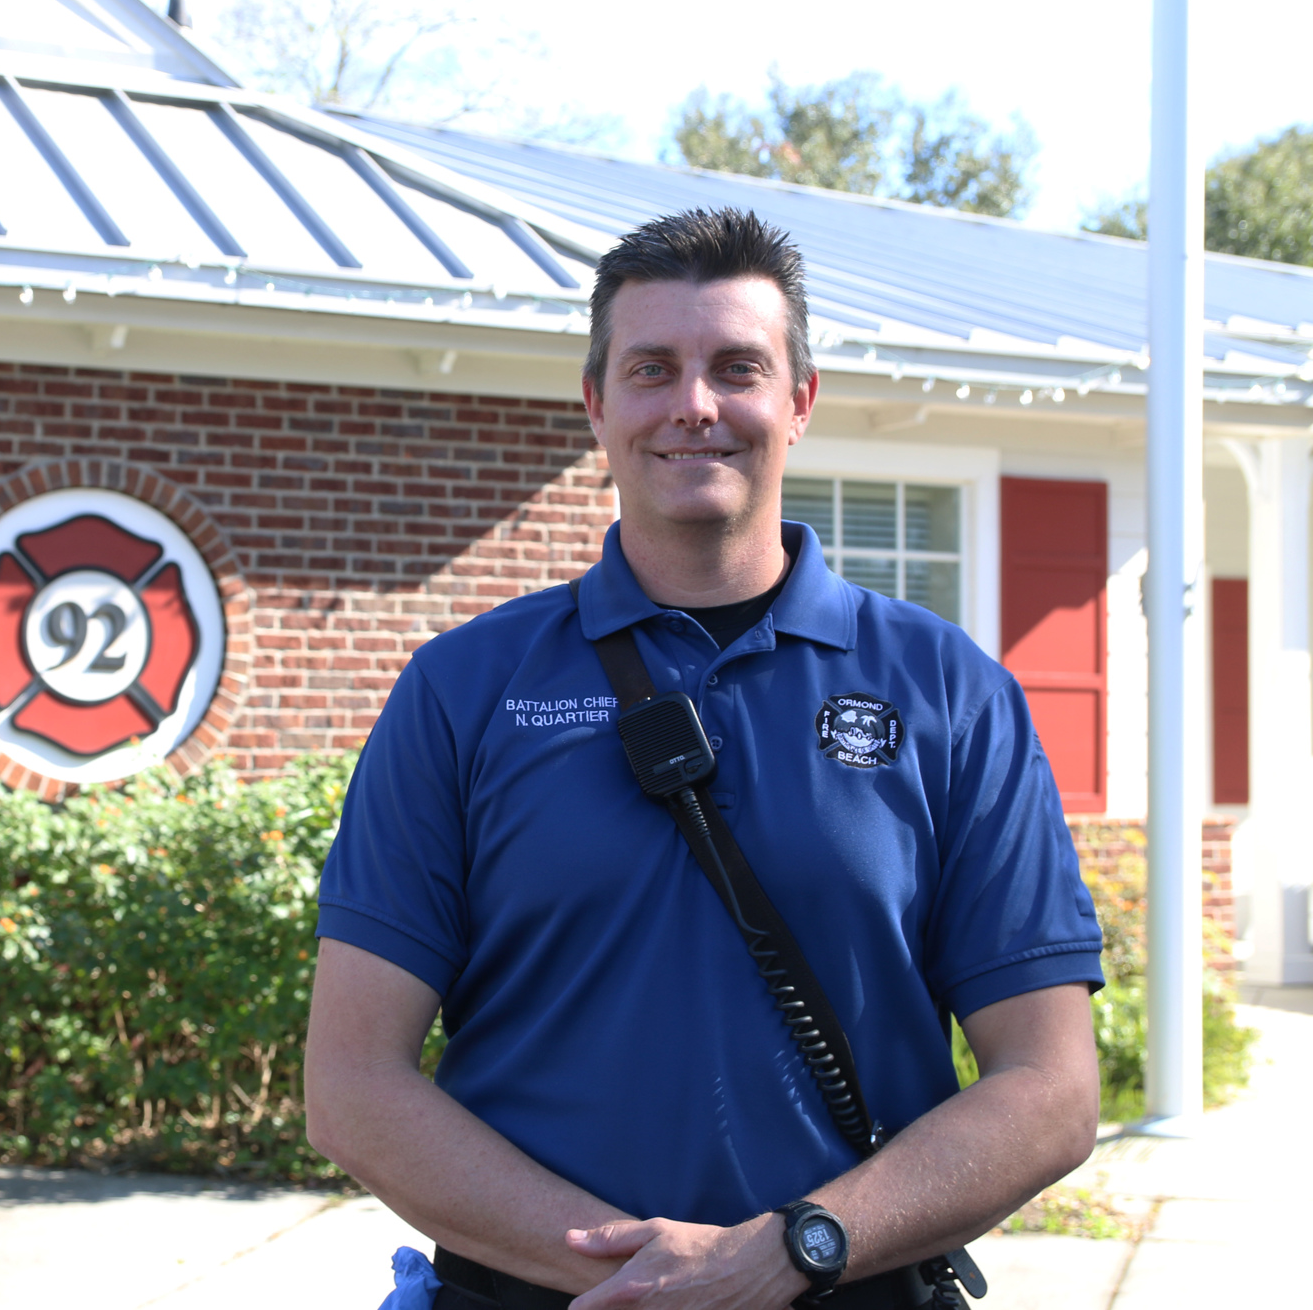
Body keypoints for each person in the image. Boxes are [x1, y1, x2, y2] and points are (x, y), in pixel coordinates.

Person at [304, 208, 1105, 1310]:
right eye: (650, 369)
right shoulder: (461, 689)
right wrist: (636, 1278)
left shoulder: (948, 690)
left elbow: (1050, 1087)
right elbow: (351, 1083)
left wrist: (784, 1253)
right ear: (596, 405)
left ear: (799, 402)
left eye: (736, 367)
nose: (693, 405)